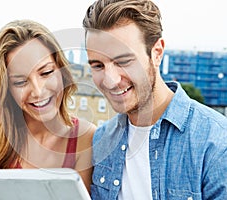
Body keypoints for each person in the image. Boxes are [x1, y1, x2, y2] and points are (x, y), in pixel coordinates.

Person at [82, 0, 227, 199]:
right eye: (98, 65)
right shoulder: (101, 140)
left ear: (157, 53)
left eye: (124, 61)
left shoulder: (217, 142)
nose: (111, 80)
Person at [0, 19, 96, 200]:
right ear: (6, 88)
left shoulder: (85, 137)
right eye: (20, 82)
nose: (38, 91)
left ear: (61, 71)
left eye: (46, 73)